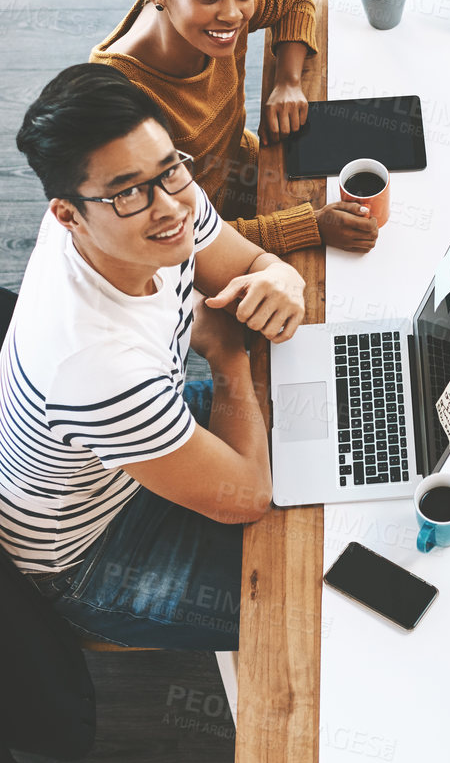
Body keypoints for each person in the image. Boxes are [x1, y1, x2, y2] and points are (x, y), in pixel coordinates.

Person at [0, 65, 306, 650]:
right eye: (129, 191)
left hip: (142, 431)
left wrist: (280, 275)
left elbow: (247, 264)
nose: (169, 207)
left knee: (341, 435)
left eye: (170, 169)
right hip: (92, 548)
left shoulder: (158, 206)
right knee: (308, 610)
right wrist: (225, 357)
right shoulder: (95, 367)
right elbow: (246, 498)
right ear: (68, 215)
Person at [92, 0, 377, 256]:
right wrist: (311, 227)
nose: (232, 15)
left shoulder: (224, 8)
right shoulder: (122, 104)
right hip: (209, 232)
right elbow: (183, 240)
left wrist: (288, 81)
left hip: (247, 169)